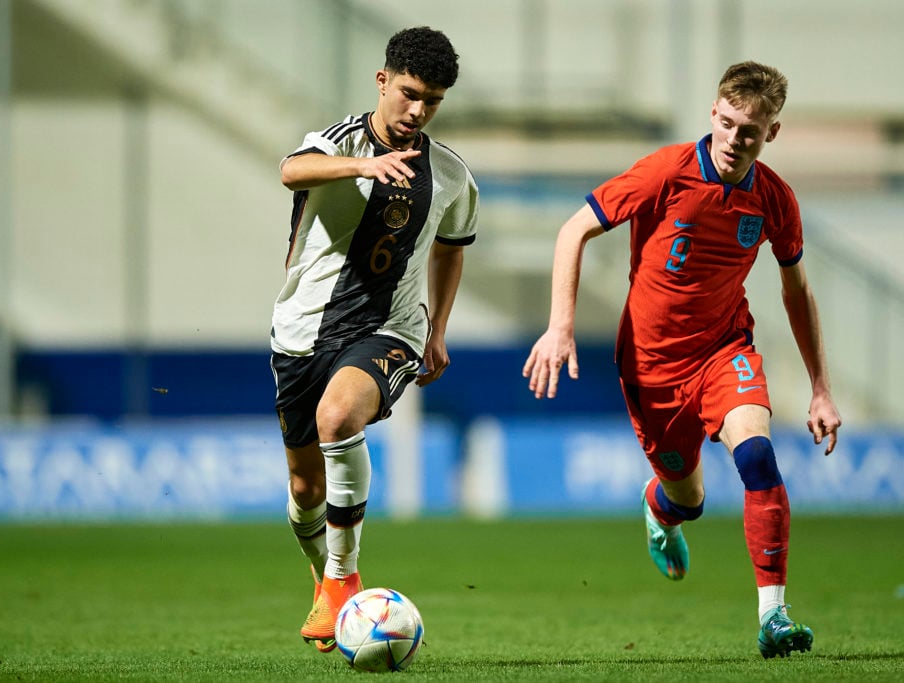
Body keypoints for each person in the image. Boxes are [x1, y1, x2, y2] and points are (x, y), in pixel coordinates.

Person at [522, 61, 841, 658]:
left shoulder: (774, 199)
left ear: (771, 133)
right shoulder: (665, 173)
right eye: (725, 123)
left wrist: (821, 386)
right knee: (687, 501)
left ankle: (773, 617)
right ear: (713, 114)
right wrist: (560, 326)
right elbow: (574, 230)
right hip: (652, 368)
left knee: (758, 458)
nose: (733, 140)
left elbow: (796, 289)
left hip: (725, 350)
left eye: (750, 130)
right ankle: (659, 508)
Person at [270, 26, 478, 652]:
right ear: (383, 82)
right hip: (301, 331)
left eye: (433, 100)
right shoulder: (336, 144)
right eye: (410, 93)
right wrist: (363, 165)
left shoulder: (449, 175)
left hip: (390, 330)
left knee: (338, 417)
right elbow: (290, 170)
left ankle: (342, 577)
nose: (418, 111)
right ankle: (327, 579)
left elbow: (451, 249)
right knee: (305, 491)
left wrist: (438, 328)